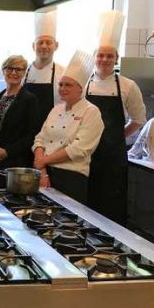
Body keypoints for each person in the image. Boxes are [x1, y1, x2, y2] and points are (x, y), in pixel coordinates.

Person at [86, 11, 146, 225]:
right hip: (85, 154)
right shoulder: (83, 83)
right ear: (94, 57)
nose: (104, 59)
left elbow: (139, 119)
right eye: (101, 55)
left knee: (112, 202)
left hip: (113, 156)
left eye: (109, 56)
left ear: (116, 59)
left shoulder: (128, 85)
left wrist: (116, 136)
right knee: (86, 201)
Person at [33, 50, 104, 204]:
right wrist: (42, 170)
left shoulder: (91, 112)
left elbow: (79, 149)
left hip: (72, 177)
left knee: (66, 224)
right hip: (45, 174)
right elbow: (40, 139)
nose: (63, 88)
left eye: (68, 85)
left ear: (80, 88)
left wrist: (43, 161)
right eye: (61, 84)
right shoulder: (56, 109)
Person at [0, 55, 40, 188]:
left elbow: (32, 135)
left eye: (18, 69)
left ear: (24, 73)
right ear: (3, 71)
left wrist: (7, 151)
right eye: (9, 68)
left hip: (13, 163)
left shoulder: (29, 100)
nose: (13, 72)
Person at [24, 10, 64, 124]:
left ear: (56, 45)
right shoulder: (23, 71)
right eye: (40, 42)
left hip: (53, 127)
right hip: (25, 128)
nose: (44, 46)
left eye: (48, 42)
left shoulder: (64, 73)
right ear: (33, 46)